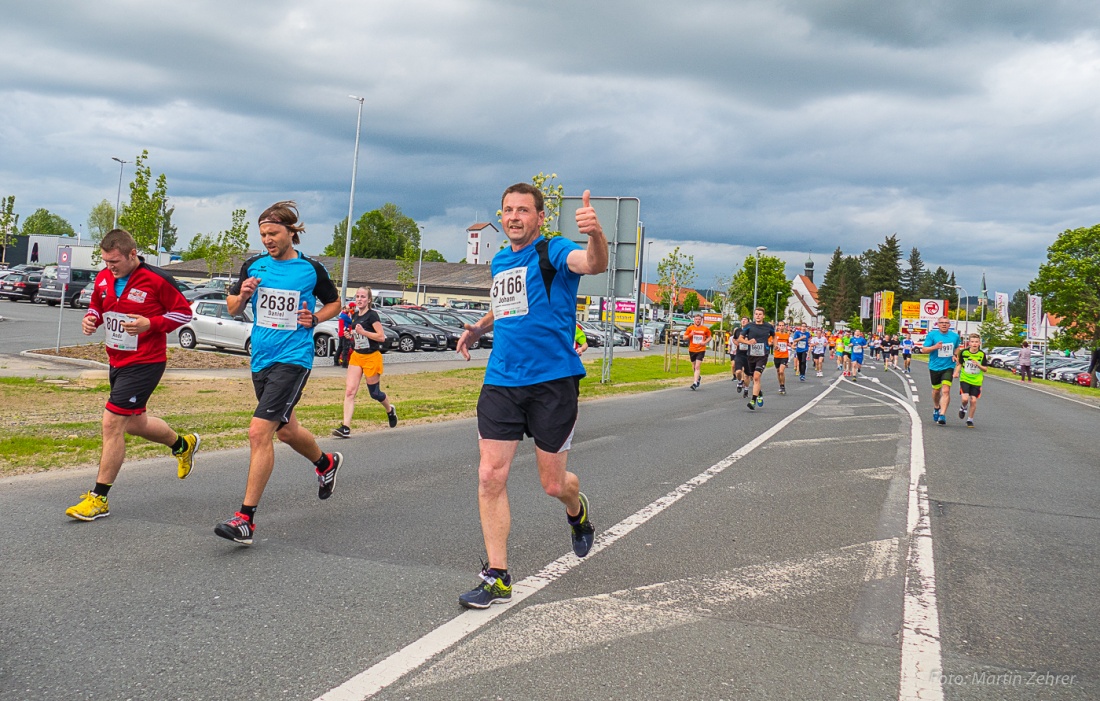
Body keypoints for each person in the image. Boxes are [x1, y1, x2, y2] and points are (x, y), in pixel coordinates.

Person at [454, 185, 607, 609]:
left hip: (552, 382)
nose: (514, 217)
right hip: (502, 380)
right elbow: (505, 305)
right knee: (489, 475)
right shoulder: (502, 260)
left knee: (553, 484)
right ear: (500, 217)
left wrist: (596, 234)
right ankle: (497, 576)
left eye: (524, 210)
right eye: (508, 210)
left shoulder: (554, 251)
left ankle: (577, 511)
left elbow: (592, 263)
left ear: (540, 217)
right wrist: (477, 329)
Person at [215, 201, 343, 545]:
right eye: (262, 235)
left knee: (259, 432)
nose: (267, 240)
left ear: (291, 232)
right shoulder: (253, 266)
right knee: (287, 432)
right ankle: (326, 462)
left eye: (273, 233)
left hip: (294, 358)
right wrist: (242, 295)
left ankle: (245, 519)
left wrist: (315, 319)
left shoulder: (310, 270)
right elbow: (232, 307)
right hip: (261, 358)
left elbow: (336, 303)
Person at [65, 229, 200, 521]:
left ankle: (99, 498)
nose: (109, 267)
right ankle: (182, 444)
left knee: (112, 422)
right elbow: (98, 306)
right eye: (105, 261)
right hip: (117, 360)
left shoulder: (157, 279)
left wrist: (149, 323)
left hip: (145, 361)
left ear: (132, 254)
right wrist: (91, 319)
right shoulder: (103, 277)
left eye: (115, 261)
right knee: (135, 424)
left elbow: (184, 314)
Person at [332, 287, 397, 439]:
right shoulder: (354, 315)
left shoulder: (372, 316)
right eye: (357, 296)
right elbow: (359, 337)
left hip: (371, 357)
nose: (359, 299)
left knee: (374, 394)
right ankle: (346, 427)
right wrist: (351, 335)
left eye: (362, 297)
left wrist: (364, 332)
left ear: (368, 300)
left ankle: (389, 410)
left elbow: (381, 337)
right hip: (357, 356)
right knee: (349, 392)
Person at [917, 316, 962, 426]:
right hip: (935, 366)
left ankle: (942, 415)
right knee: (936, 391)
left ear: (949, 325)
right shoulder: (932, 335)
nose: (944, 324)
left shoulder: (955, 336)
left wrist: (956, 355)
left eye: (946, 323)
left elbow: (957, 348)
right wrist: (935, 347)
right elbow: (923, 350)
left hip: (948, 366)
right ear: (938, 324)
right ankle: (936, 407)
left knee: (946, 390)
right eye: (941, 323)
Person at [741, 307, 775, 410]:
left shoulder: (768, 326)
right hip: (751, 355)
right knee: (753, 378)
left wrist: (775, 344)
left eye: (760, 314)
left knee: (756, 377)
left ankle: (753, 401)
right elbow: (740, 338)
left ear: (763, 316)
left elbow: (774, 336)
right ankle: (759, 393)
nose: (758, 316)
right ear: (754, 315)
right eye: (756, 314)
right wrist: (748, 342)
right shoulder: (749, 326)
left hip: (763, 354)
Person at [954, 333, 988, 428]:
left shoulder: (982, 354)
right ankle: (963, 407)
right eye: (972, 342)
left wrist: (978, 365)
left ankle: (970, 420)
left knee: (973, 400)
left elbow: (985, 369)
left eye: (976, 342)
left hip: (976, 380)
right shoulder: (964, 352)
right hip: (965, 378)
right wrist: (956, 373)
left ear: (979, 343)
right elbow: (960, 364)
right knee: (965, 399)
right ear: (969, 342)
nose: (974, 344)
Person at [681, 312, 712, 390]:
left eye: (699, 319)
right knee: (694, 366)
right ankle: (698, 377)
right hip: (692, 349)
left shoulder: (705, 329)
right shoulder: (690, 328)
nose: (697, 321)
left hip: (701, 349)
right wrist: (690, 335)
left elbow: (710, 337)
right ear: (694, 320)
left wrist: (705, 342)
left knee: (697, 366)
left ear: (701, 320)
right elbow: (684, 337)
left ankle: (695, 383)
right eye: (696, 319)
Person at [732, 316, 750, 396]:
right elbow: (734, 338)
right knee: (738, 371)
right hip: (739, 353)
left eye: (745, 320)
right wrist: (737, 343)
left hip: (748, 354)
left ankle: (746, 389)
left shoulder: (751, 331)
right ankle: (740, 381)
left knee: (747, 374)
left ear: (748, 322)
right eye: (742, 320)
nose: (743, 321)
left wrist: (748, 342)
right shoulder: (738, 331)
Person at [772, 321, 790, 394]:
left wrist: (792, 346)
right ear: (778, 327)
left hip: (784, 355)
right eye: (780, 325)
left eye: (783, 325)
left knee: (782, 371)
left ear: (784, 327)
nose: (781, 327)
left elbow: (789, 343)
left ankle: (783, 386)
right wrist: (775, 346)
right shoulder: (775, 335)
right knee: (778, 371)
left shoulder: (787, 335)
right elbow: (771, 343)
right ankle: (780, 385)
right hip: (777, 356)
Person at [335, 301, 356, 367]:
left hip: (341, 333)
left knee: (340, 347)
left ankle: (336, 360)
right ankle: (344, 363)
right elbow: (351, 322)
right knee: (345, 348)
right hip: (345, 333)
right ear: (344, 309)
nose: (349, 309)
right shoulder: (345, 316)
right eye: (347, 308)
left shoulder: (341, 315)